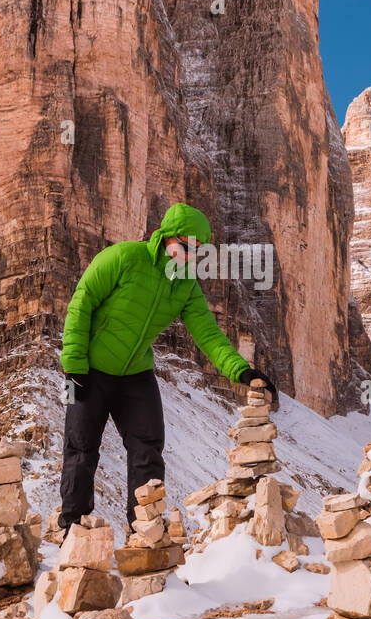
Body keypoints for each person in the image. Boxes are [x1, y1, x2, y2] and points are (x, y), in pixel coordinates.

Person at [58, 202, 276, 530]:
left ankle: (144, 531)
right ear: (167, 237)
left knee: (148, 448)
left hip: (136, 374)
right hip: (84, 369)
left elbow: (209, 335)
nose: (190, 256)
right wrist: (73, 364)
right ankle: (71, 528)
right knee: (80, 446)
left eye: (198, 251)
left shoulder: (186, 284)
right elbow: (81, 301)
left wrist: (242, 372)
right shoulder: (124, 257)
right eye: (186, 247)